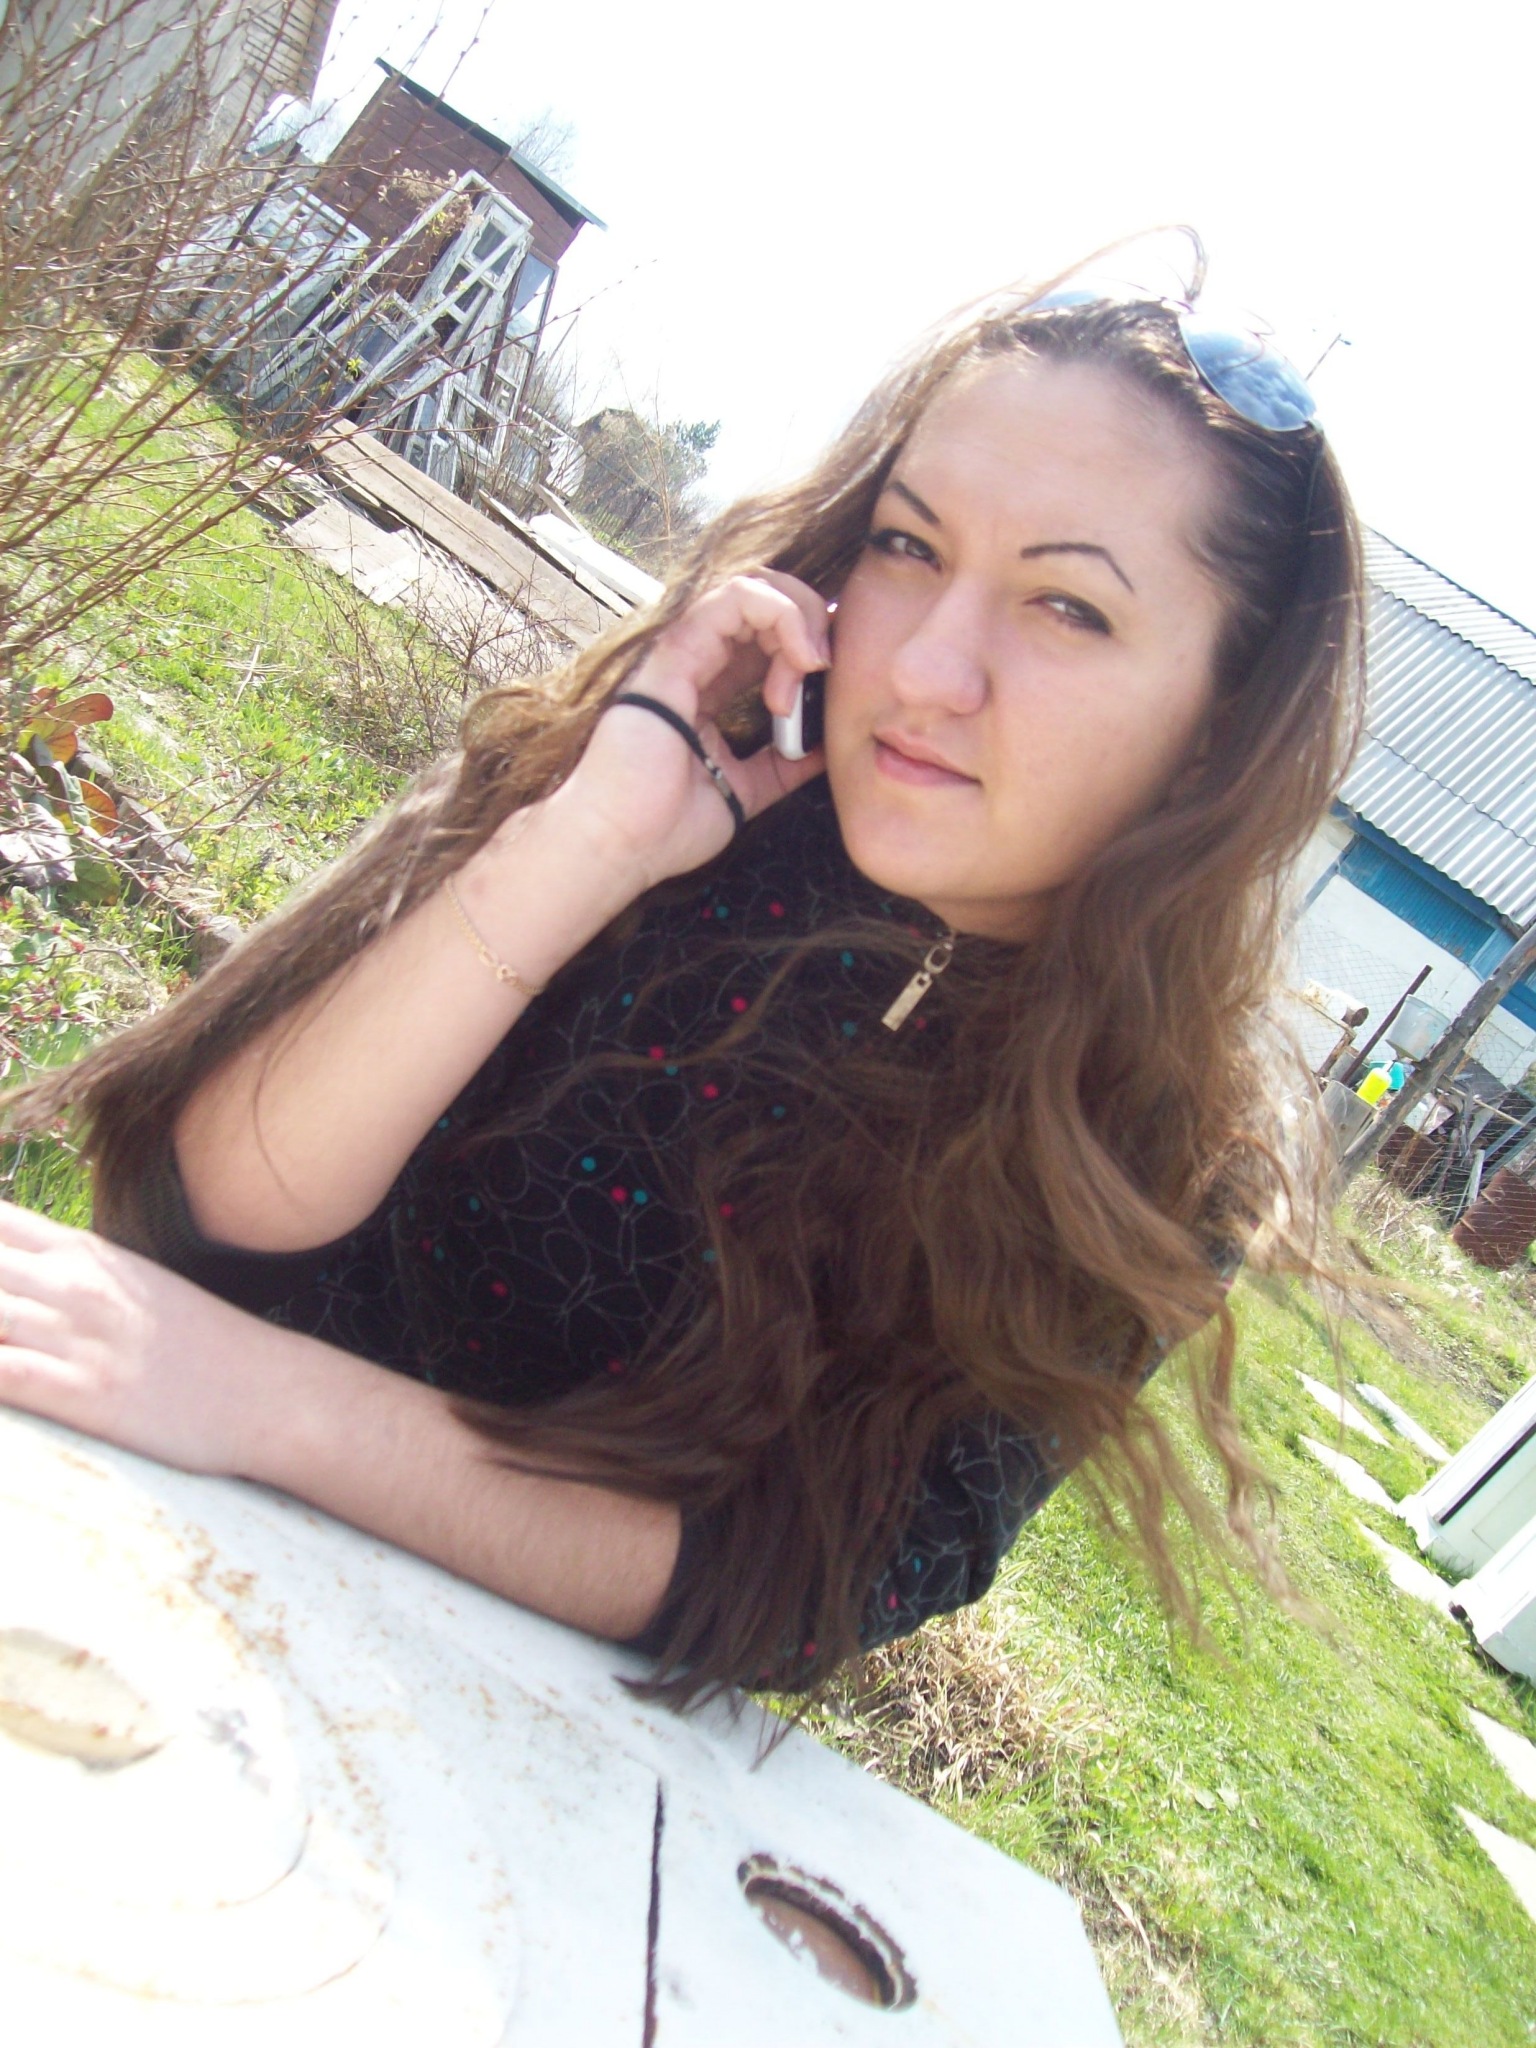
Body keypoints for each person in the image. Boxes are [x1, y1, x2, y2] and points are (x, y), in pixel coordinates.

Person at [0, 233, 1363, 1702]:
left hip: (491, 1746)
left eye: (1069, 607)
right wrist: (586, 843)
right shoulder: (677, 773)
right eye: (909, 547)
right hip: (115, 1550)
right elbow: (206, 1211)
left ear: (1220, 729)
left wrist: (282, 1407)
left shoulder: (1158, 1154)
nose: (924, 668)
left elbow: (802, 1578)